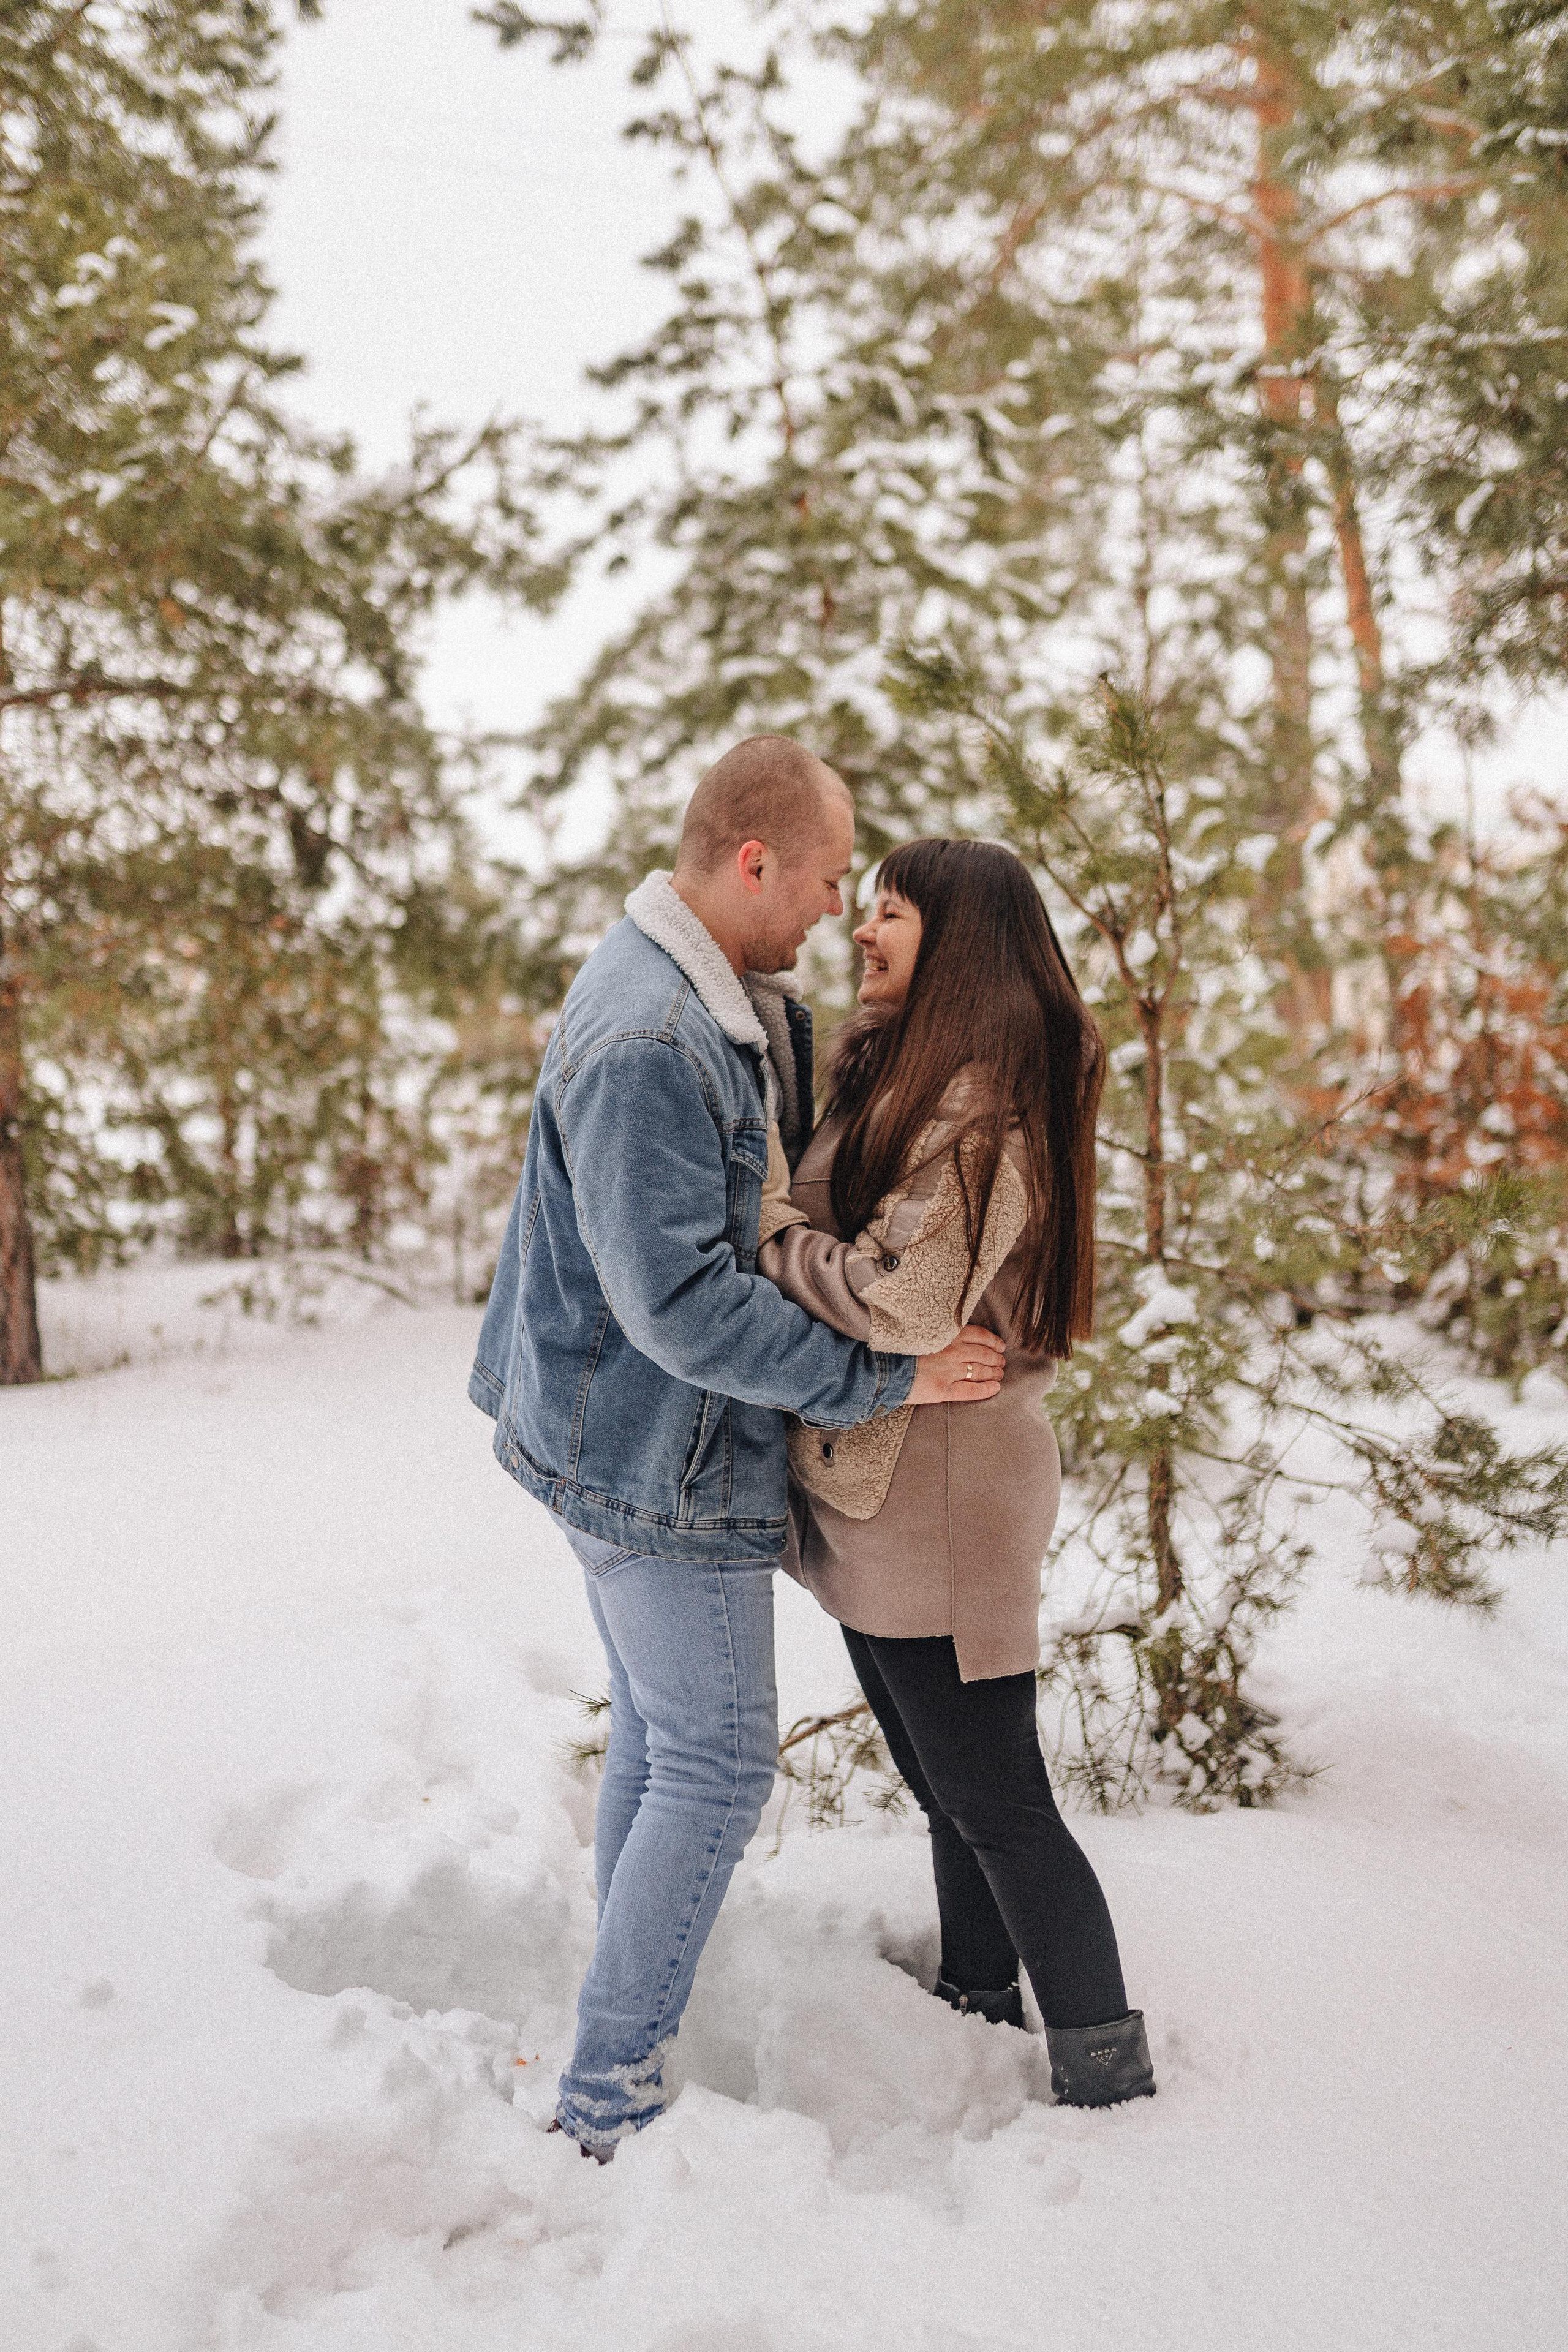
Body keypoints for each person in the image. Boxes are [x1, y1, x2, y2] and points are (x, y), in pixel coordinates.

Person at [470, 739, 1005, 2157]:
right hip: (651, 1455)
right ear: (753, 861)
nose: (838, 909)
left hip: (620, 1438)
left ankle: (624, 2010)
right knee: (714, 1762)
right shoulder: (654, 1038)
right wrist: (880, 1378)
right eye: (828, 880)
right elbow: (681, 1307)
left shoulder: (712, 1000)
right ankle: (609, 2090)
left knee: (663, 1741)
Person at [756, 837, 1156, 2108]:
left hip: (941, 1499)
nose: (862, 929)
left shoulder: (980, 1108)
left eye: (890, 911)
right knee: (953, 1789)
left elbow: (906, 1299)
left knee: (999, 1802)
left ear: (959, 944)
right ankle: (976, 1999)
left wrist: (768, 1232)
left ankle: (1103, 2064)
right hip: (894, 1484)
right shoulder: (914, 1078)